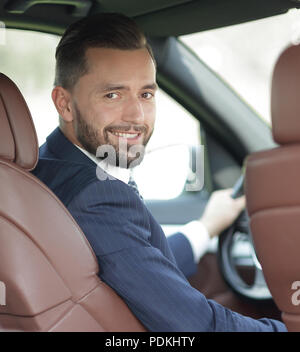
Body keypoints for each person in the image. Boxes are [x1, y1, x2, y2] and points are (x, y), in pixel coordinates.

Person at [32, 13, 286, 331]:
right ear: (64, 103)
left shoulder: (44, 170)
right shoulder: (96, 196)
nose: (137, 115)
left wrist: (203, 229)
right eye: (113, 94)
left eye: (146, 94)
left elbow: (132, 266)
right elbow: (198, 326)